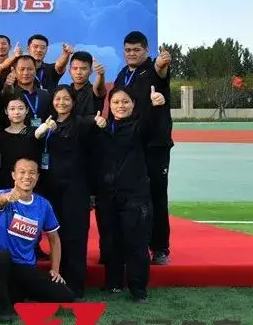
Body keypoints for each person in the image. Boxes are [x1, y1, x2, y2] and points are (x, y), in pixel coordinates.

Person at [93, 85, 169, 302]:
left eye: (125, 102)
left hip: (135, 196)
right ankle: (114, 283)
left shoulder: (139, 127)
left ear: (133, 104)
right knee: (111, 240)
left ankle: (138, 289)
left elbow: (152, 124)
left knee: (136, 242)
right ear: (109, 105)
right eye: (116, 102)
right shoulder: (103, 128)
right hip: (107, 196)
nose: (120, 106)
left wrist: (157, 107)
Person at [0, 157, 75, 323]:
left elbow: (54, 239)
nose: (27, 176)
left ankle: (18, 291)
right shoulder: (2, 194)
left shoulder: (44, 205)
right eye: (22, 172)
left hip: (24, 267)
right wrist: (8, 197)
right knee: (2, 257)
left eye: (32, 172)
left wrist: (55, 270)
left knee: (65, 295)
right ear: (13, 175)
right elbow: (0, 201)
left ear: (37, 177)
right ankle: (1, 308)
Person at [33, 86, 104, 297]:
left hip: (76, 188)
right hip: (51, 189)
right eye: (58, 99)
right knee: (56, 235)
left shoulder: (82, 124)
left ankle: (76, 284)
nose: (61, 103)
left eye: (66, 99)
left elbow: (95, 149)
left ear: (73, 102)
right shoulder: (48, 125)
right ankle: (59, 278)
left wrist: (101, 123)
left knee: (75, 235)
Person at [114, 31, 173, 265]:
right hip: (131, 144)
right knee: (133, 196)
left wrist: (162, 63)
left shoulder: (153, 69)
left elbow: (161, 70)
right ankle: (135, 246)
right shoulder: (122, 74)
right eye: (128, 50)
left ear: (146, 51)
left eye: (136, 50)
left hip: (155, 145)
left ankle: (160, 249)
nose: (131, 54)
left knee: (156, 195)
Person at [66, 51, 107, 118]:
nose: (78, 72)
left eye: (83, 69)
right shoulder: (65, 91)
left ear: (91, 71)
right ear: (69, 71)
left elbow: (99, 88)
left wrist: (101, 75)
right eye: (75, 68)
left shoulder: (94, 91)